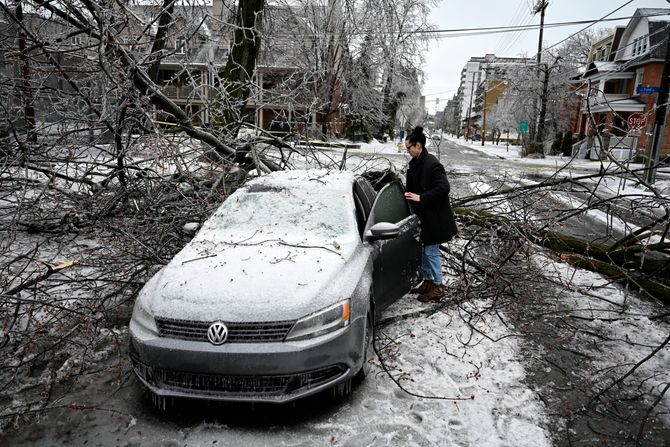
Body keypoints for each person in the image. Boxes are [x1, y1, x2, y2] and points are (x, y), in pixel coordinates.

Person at [404, 126, 458, 302]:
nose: (407, 151)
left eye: (409, 148)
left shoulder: (432, 164)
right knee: (425, 251)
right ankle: (428, 282)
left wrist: (421, 197)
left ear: (418, 146)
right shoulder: (417, 163)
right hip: (425, 218)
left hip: (436, 219)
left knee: (431, 252)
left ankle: (438, 285)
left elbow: (444, 188)